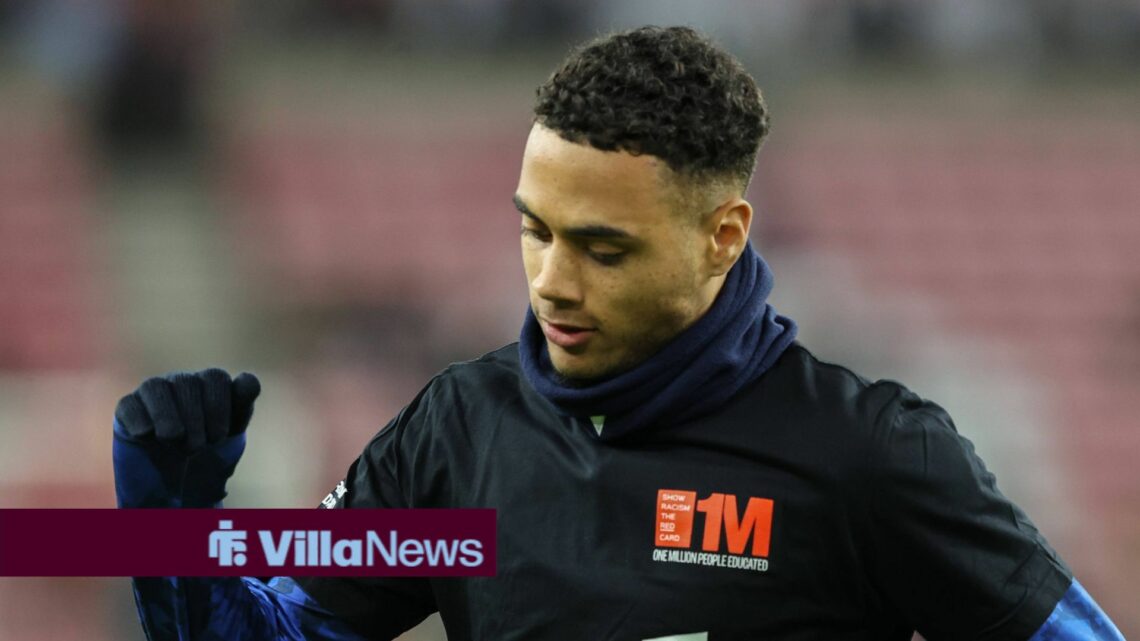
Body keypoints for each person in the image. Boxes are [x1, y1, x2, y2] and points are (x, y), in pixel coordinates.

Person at [112, 26, 1124, 641]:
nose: (552, 283)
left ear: (720, 237)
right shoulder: (460, 434)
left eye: (604, 248)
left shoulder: (871, 452)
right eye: (536, 230)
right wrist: (167, 521)